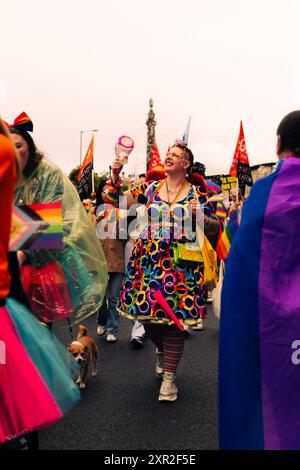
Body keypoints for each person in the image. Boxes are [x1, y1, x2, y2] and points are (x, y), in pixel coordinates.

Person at [104, 139, 220, 401]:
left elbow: (215, 228)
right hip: (148, 264)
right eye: (169, 153)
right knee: (146, 318)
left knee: (175, 324)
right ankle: (163, 352)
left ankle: (169, 379)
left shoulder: (197, 194)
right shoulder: (150, 187)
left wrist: (199, 216)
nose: (169, 157)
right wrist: (115, 175)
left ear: (186, 164)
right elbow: (114, 200)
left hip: (181, 268)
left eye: (176, 154)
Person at [219, 110, 300, 450]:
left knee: (266, 403)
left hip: (269, 322)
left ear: (279, 143)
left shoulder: (264, 194)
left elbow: (234, 246)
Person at [0, 118, 80, 447]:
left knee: (17, 355)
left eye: (22, 145)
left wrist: (19, 253)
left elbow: (51, 225)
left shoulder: (42, 175)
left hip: (20, 275)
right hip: (11, 272)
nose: (16, 149)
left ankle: (22, 421)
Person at [7, 112, 107, 325]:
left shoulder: (47, 174)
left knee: (37, 336)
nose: (13, 152)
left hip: (39, 264)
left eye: (18, 146)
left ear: (30, 147)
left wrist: (23, 251)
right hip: (8, 265)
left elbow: (53, 220)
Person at [95, 180, 125, 343]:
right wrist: (97, 220)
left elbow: (125, 236)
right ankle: (101, 322)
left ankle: (112, 329)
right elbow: (87, 235)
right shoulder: (93, 211)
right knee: (100, 298)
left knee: (113, 298)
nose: (107, 193)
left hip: (117, 260)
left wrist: (119, 222)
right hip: (99, 260)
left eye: (110, 191)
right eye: (105, 190)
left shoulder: (122, 213)